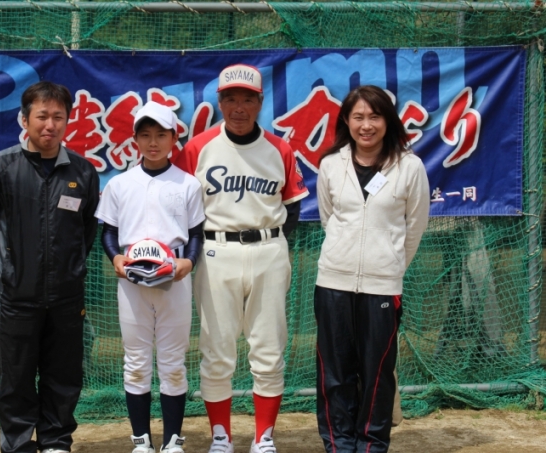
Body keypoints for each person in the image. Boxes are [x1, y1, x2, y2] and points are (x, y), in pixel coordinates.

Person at [174, 64, 309, 453]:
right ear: (219, 102)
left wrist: (272, 244)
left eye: (247, 99)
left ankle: (264, 437)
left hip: (268, 250)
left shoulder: (279, 149)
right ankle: (222, 436)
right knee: (216, 350)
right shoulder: (198, 148)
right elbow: (180, 205)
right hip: (216, 251)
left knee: (268, 348)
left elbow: (292, 207)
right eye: (230, 99)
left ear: (260, 102)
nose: (238, 107)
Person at [0, 81, 100, 453]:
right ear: (24, 120)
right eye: (42, 116)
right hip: (17, 296)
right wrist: (4, 266)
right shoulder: (1, 167)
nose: (50, 125)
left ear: (67, 121)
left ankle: (56, 440)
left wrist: (70, 267)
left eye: (58, 117)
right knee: (16, 376)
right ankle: (17, 443)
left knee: (64, 373)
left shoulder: (82, 172)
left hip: (66, 297)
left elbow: (87, 229)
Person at [314, 85, 430, 453]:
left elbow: (415, 227)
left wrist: (389, 266)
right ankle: (338, 445)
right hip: (333, 283)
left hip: (382, 287)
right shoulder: (331, 165)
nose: (366, 125)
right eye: (359, 117)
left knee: (377, 374)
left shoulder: (409, 167)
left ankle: (371, 446)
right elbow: (329, 219)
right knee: (335, 373)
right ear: (346, 121)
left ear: (388, 121)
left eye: (375, 116)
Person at [95, 101, 205, 453]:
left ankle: (172, 441)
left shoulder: (187, 184)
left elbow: (196, 233)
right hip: (131, 282)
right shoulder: (119, 184)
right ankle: (141, 440)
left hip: (174, 279)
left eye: (161, 135)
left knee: (173, 363)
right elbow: (108, 232)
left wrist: (189, 262)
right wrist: (116, 257)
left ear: (174, 138)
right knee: (136, 361)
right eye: (145, 135)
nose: (153, 142)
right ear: (135, 139)